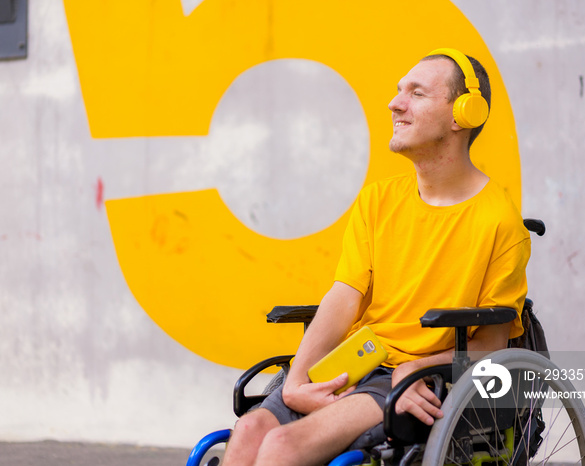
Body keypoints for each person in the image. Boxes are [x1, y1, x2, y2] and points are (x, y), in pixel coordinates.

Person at [222, 49, 530, 466]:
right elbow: (343, 296)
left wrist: (416, 369)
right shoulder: (378, 201)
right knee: (249, 432)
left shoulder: (499, 221)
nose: (395, 102)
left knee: (281, 447)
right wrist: (295, 379)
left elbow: (491, 346)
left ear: (464, 113)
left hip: (414, 381)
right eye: (398, 90)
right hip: (359, 359)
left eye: (416, 93)